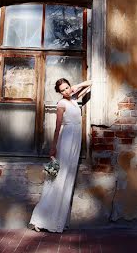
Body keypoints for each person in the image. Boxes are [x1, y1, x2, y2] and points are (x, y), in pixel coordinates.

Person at [29, 77, 92, 233]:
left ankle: (57, 220)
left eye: (67, 87)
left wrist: (73, 88)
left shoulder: (74, 99)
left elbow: (90, 83)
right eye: (62, 90)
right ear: (59, 92)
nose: (65, 91)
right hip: (66, 140)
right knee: (58, 179)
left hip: (75, 141)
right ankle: (40, 219)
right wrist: (53, 148)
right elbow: (57, 128)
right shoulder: (61, 104)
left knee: (68, 179)